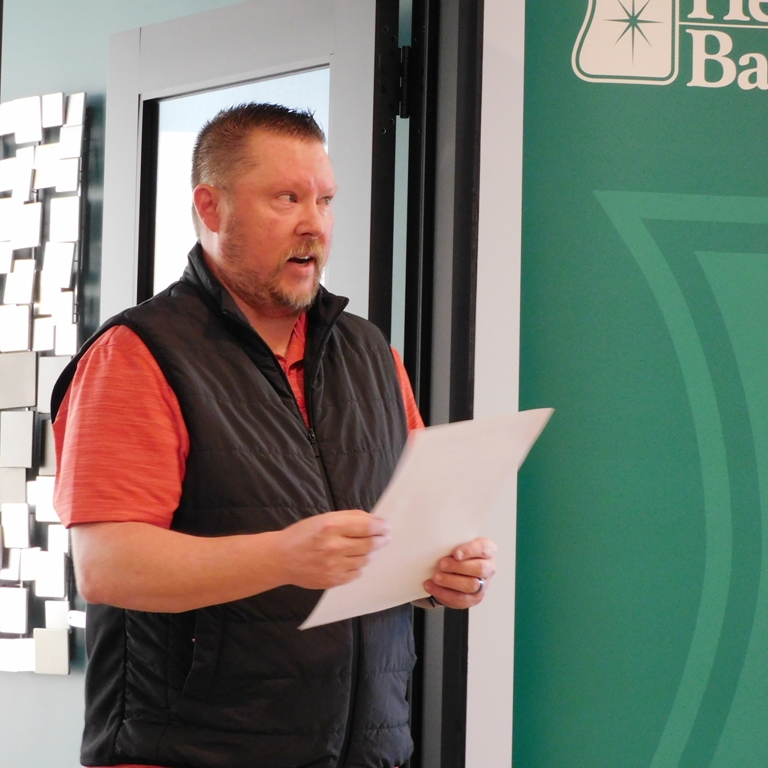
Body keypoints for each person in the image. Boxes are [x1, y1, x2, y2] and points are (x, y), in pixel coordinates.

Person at [51, 103, 496, 768]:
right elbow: (107, 565)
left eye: (325, 200)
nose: (314, 223)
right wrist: (284, 557)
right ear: (211, 207)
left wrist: (442, 575)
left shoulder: (371, 353)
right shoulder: (137, 355)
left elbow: (407, 533)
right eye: (287, 198)